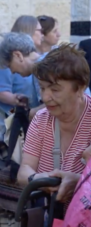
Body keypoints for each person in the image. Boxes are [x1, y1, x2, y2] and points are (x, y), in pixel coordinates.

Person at [17, 45, 91, 203]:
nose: (45, 97)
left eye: (55, 90)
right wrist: (39, 179)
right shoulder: (41, 119)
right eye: (42, 88)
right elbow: (24, 171)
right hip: (50, 214)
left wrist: (78, 182)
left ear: (80, 88)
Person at [0, 16, 38, 149]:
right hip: (6, 121)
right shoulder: (8, 59)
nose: (42, 35)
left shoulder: (40, 66)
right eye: (38, 31)